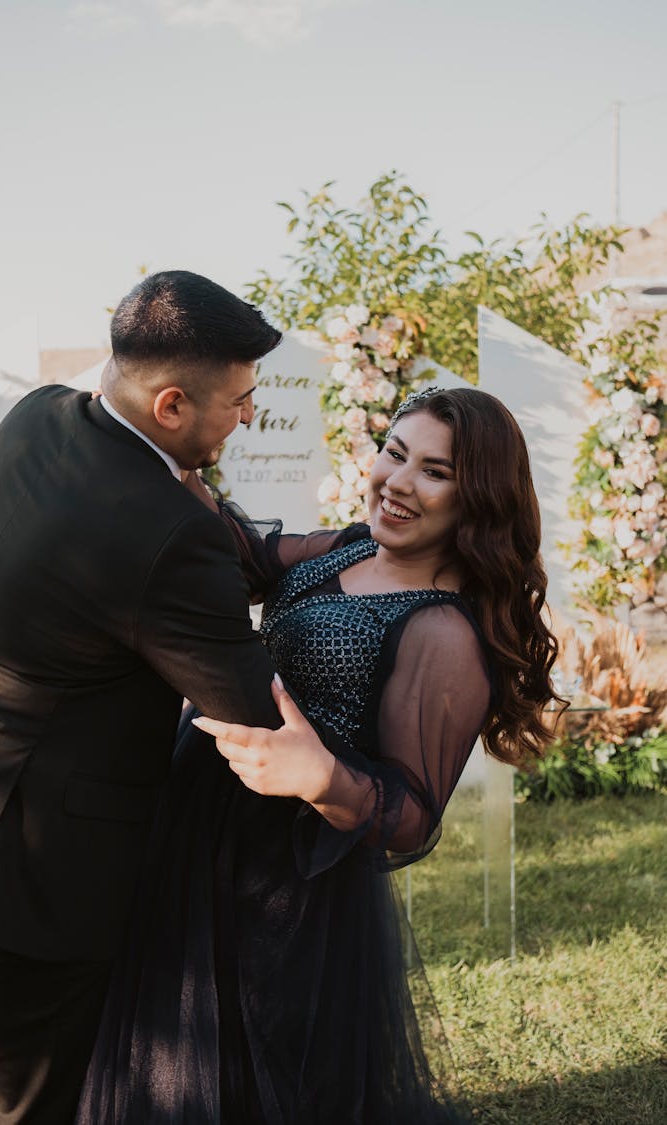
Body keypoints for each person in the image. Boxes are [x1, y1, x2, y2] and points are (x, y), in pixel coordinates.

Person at [0, 270, 359, 1124]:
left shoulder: (37, 417)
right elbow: (250, 707)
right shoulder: (164, 529)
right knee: (22, 1100)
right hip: (35, 867)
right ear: (168, 406)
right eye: (237, 401)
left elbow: (171, 537)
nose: (247, 417)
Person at [76, 386, 561, 1124]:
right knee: (168, 1048)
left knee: (257, 1073)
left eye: (434, 471)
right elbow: (242, 554)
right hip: (201, 825)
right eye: (394, 453)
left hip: (287, 878)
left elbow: (412, 815)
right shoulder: (355, 544)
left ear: (478, 500)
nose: (396, 482)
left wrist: (322, 775)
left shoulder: (444, 631)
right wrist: (179, 450)